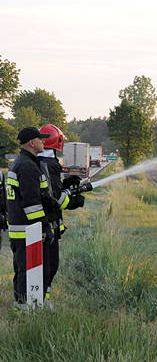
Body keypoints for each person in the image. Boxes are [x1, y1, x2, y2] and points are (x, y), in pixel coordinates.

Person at [37, 124, 85, 303]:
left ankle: (42, 300)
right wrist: (74, 202)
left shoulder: (40, 161)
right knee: (49, 266)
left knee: (45, 267)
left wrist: (65, 184)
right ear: (57, 144)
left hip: (42, 224)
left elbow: (49, 188)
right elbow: (56, 198)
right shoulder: (49, 163)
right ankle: (41, 301)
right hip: (47, 224)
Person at [5, 127, 52, 308]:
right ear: (32, 142)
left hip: (18, 226)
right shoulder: (27, 166)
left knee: (21, 267)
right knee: (26, 268)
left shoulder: (18, 163)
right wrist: (42, 225)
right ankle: (24, 305)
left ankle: (20, 302)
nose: (44, 142)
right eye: (40, 139)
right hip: (27, 228)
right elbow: (31, 204)